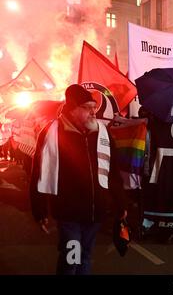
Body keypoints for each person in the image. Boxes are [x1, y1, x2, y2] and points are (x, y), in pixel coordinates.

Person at [30, 84, 127, 275]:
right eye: (87, 107)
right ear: (72, 109)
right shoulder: (52, 133)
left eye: (94, 107)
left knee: (85, 257)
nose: (93, 112)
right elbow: (39, 173)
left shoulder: (102, 132)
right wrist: (39, 209)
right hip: (69, 213)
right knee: (71, 259)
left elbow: (113, 172)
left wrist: (120, 204)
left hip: (96, 212)